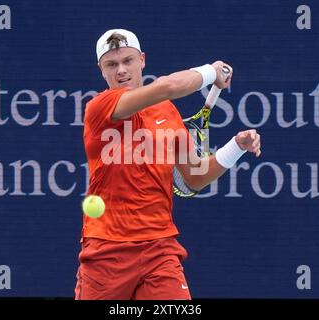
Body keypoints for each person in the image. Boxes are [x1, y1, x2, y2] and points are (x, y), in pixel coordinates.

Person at [75, 29, 261, 300]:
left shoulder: (166, 111)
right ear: (101, 70)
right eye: (112, 65)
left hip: (160, 250)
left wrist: (236, 147)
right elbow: (169, 86)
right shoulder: (99, 107)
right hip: (107, 251)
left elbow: (195, 177)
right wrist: (212, 71)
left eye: (128, 61)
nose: (121, 71)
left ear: (143, 60)